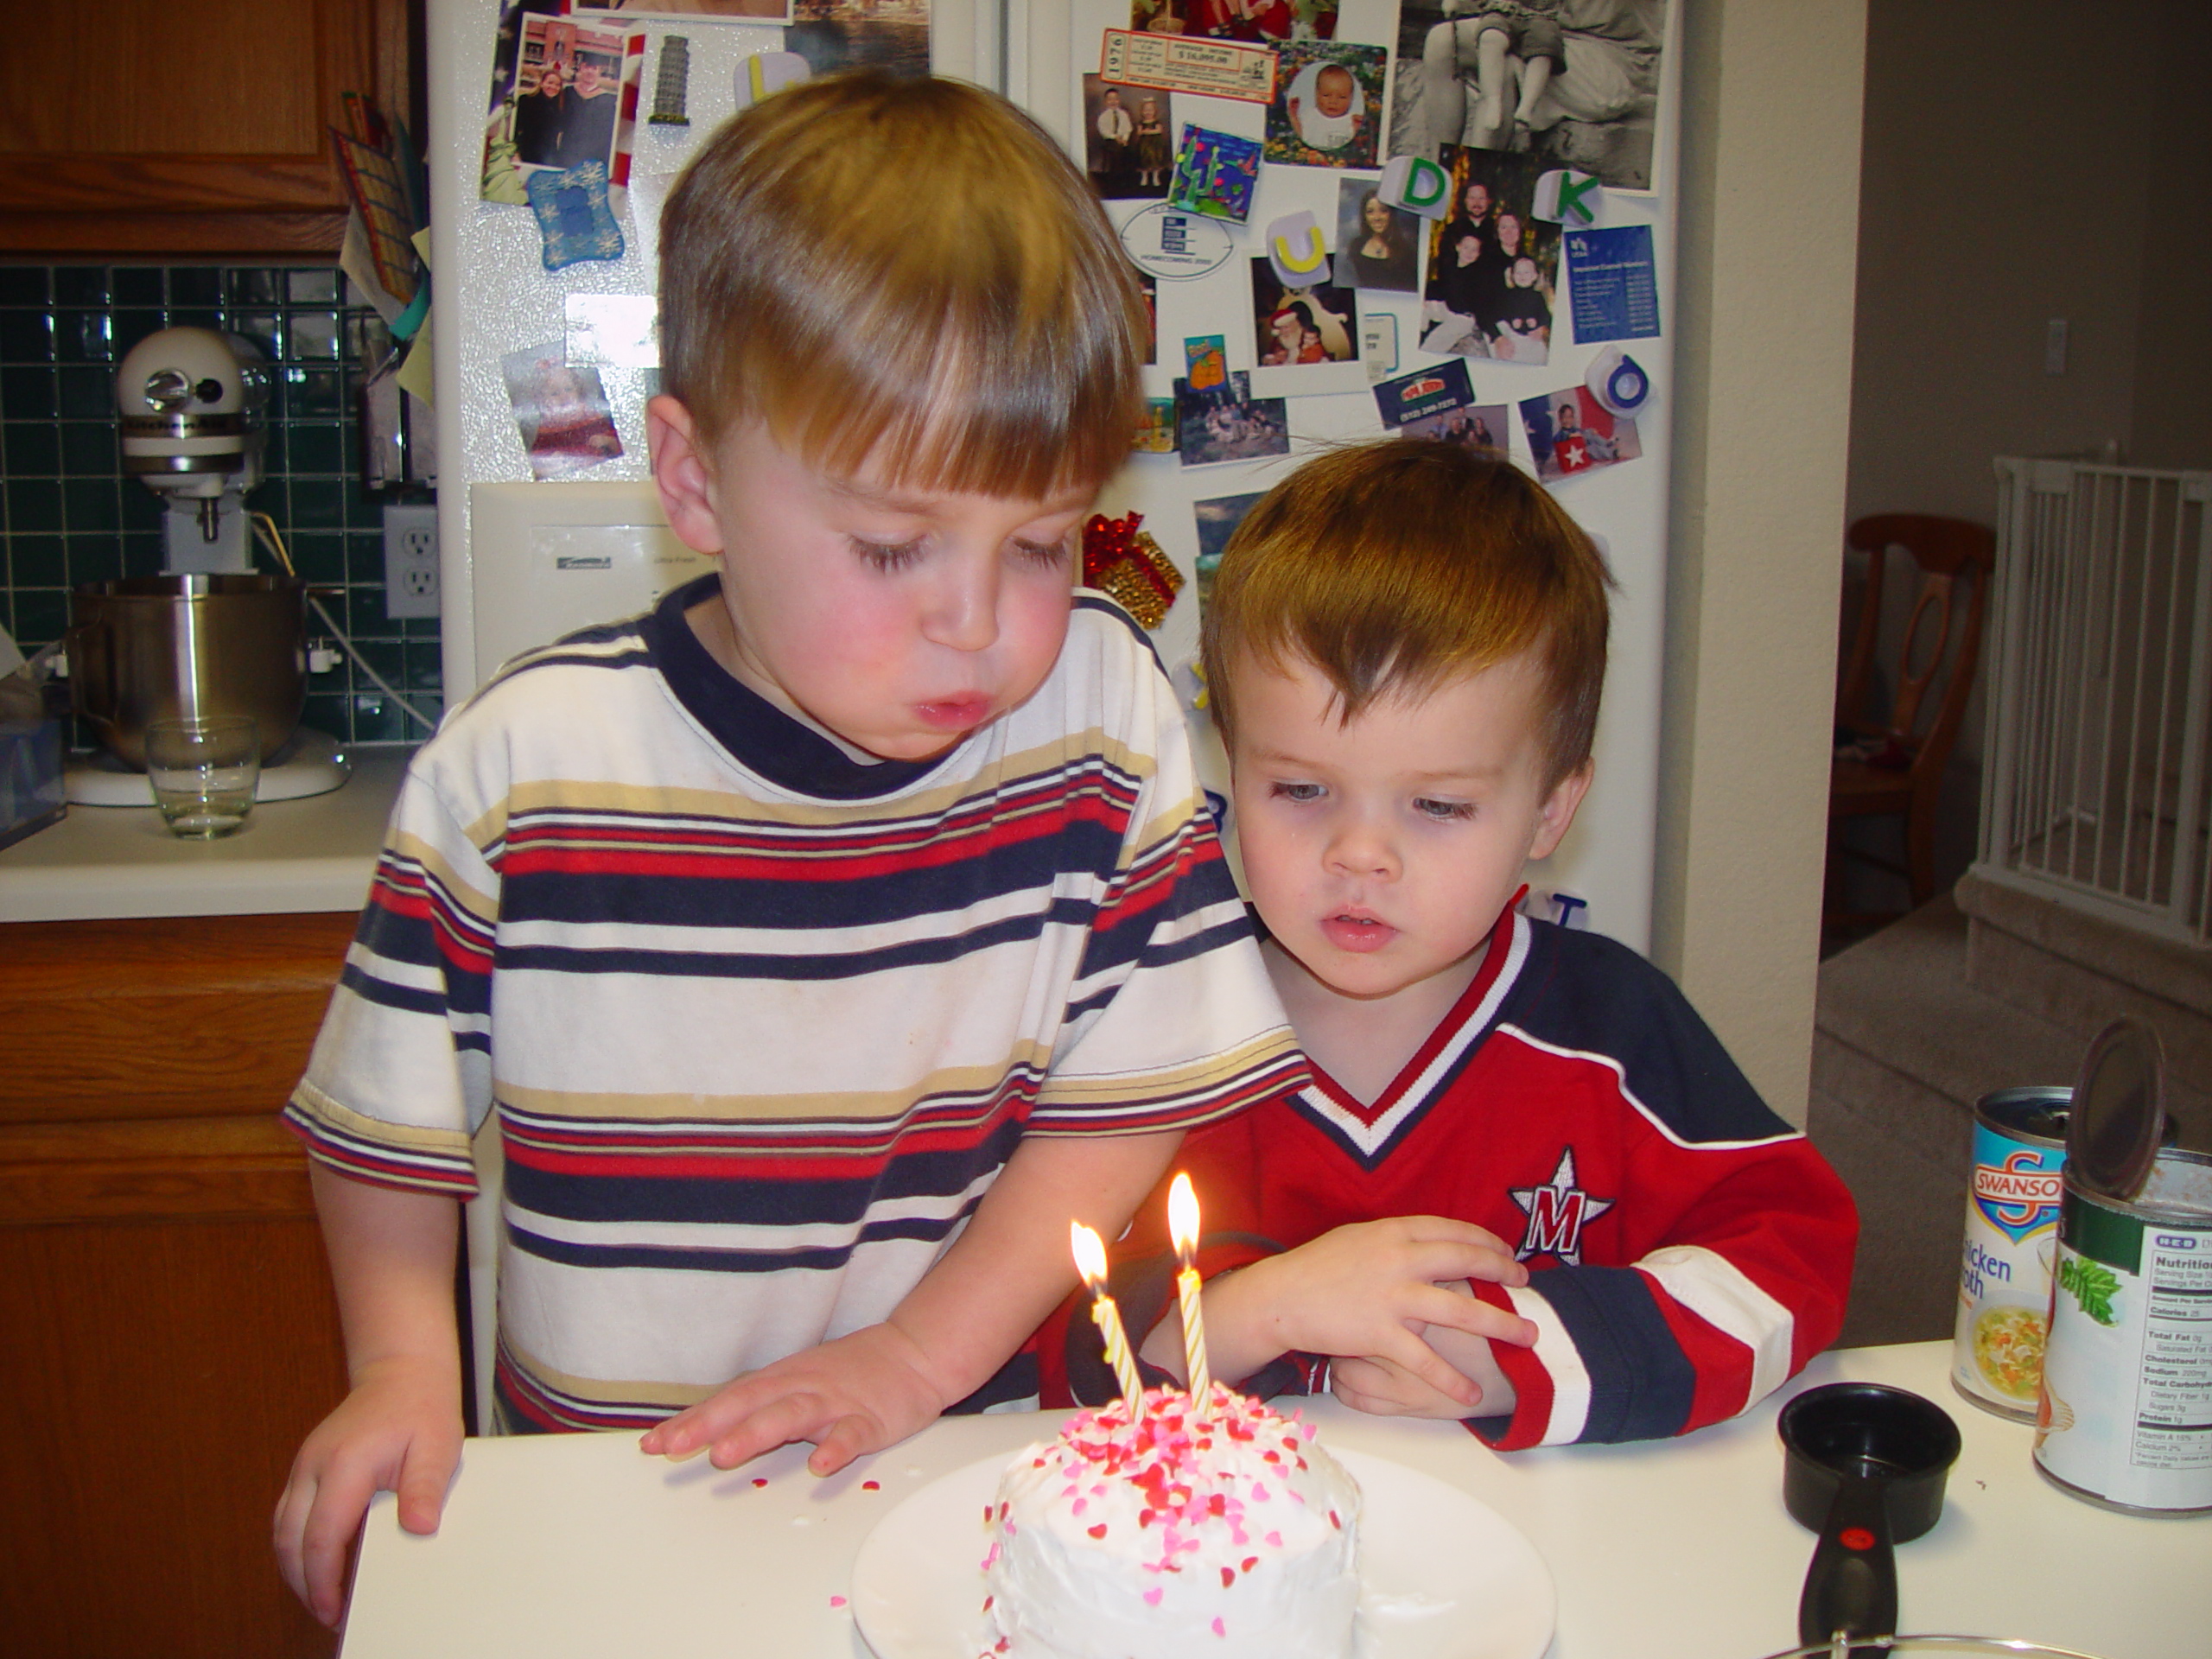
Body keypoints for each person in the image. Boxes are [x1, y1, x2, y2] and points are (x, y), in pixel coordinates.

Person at [272, 73, 1304, 1629]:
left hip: (955, 1481)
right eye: (894, 546)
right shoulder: (522, 772)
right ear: (693, 480)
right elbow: (384, 1129)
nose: (976, 617)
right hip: (613, 1499)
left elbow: (1119, 1109)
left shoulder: (1101, 715)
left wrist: (915, 1359)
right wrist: (402, 1368)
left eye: (1039, 542)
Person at [1042, 441, 1858, 1449]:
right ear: (1228, 766)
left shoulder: (1615, 1033)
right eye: (1298, 789)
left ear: (1550, 814)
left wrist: (1527, 1355)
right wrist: (1256, 1314)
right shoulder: (1154, 1023)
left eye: (1436, 805)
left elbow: (1797, 1257)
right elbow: (1028, 1348)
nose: (1359, 854)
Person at [1421, 1, 1567, 155]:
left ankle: (1476, 170)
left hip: (1571, 35)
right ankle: (1442, 163)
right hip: (1516, 15)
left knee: (1504, 64)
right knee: (1443, 40)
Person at [553, 53, 620, 170]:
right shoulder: (567, 92)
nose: (590, 71)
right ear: (580, 68)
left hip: (593, 155)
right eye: (586, 67)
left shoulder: (608, 100)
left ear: (600, 71)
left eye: (594, 68)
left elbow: (608, 134)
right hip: (567, 152)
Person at [1343, 189, 1416, 291]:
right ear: (1364, 216)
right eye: (1370, 212)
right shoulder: (1357, 245)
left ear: (1391, 214)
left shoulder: (1407, 251)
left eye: (1383, 211)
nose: (1377, 218)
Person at [512, 55, 573, 168]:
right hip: (525, 153)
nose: (553, 87)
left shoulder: (562, 107)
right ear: (542, 83)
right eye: (550, 83)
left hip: (549, 158)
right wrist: (515, 153)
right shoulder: (526, 100)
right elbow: (515, 129)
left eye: (557, 85)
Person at [1488, 253, 1552, 361]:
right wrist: (1512, 320)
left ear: (1535, 276)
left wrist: (1540, 325)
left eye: (1526, 272)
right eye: (1518, 272)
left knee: (1539, 354)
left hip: (1532, 335)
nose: (1522, 276)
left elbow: (1545, 315)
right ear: (1512, 276)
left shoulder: (1537, 296)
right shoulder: (1508, 295)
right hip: (1513, 334)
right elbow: (1500, 313)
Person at [1092, 86, 1134, 188]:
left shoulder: (1123, 114)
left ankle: (1126, 178)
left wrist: (1124, 139)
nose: (1113, 102)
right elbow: (1104, 131)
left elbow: (1128, 128)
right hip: (1110, 140)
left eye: (1115, 99)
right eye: (1110, 99)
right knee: (1115, 152)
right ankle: (1114, 178)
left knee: (1130, 152)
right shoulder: (1103, 116)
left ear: (1119, 100)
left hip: (1122, 140)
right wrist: (1115, 137)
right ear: (1106, 101)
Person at [1131, 95, 1173, 191]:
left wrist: (1148, 131)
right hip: (1144, 145)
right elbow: (1139, 132)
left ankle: (1155, 177)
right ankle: (1144, 177)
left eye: (1150, 110)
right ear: (1142, 111)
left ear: (1155, 111)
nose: (1148, 112)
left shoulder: (1156, 122)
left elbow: (1159, 131)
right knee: (1144, 160)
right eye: (1145, 110)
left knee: (1156, 159)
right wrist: (1144, 131)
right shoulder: (1141, 123)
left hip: (1155, 145)